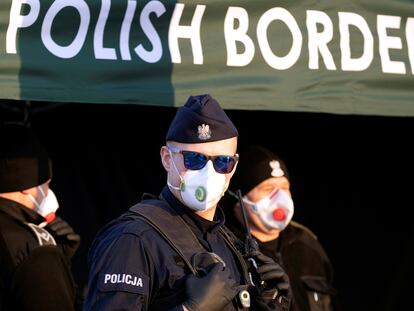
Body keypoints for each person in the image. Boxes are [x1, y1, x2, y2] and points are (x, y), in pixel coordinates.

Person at [84, 95, 291, 311]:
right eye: (194, 159)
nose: (208, 173)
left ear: (234, 166)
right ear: (167, 159)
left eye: (222, 162)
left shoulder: (229, 243)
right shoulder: (133, 239)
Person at [224, 144, 340, 311]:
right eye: (268, 189)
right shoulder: (225, 249)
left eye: (284, 188)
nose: (280, 197)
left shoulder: (307, 244)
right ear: (239, 199)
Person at [0, 123, 81, 310]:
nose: (49, 192)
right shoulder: (36, 251)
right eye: (46, 184)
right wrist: (51, 259)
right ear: (27, 185)